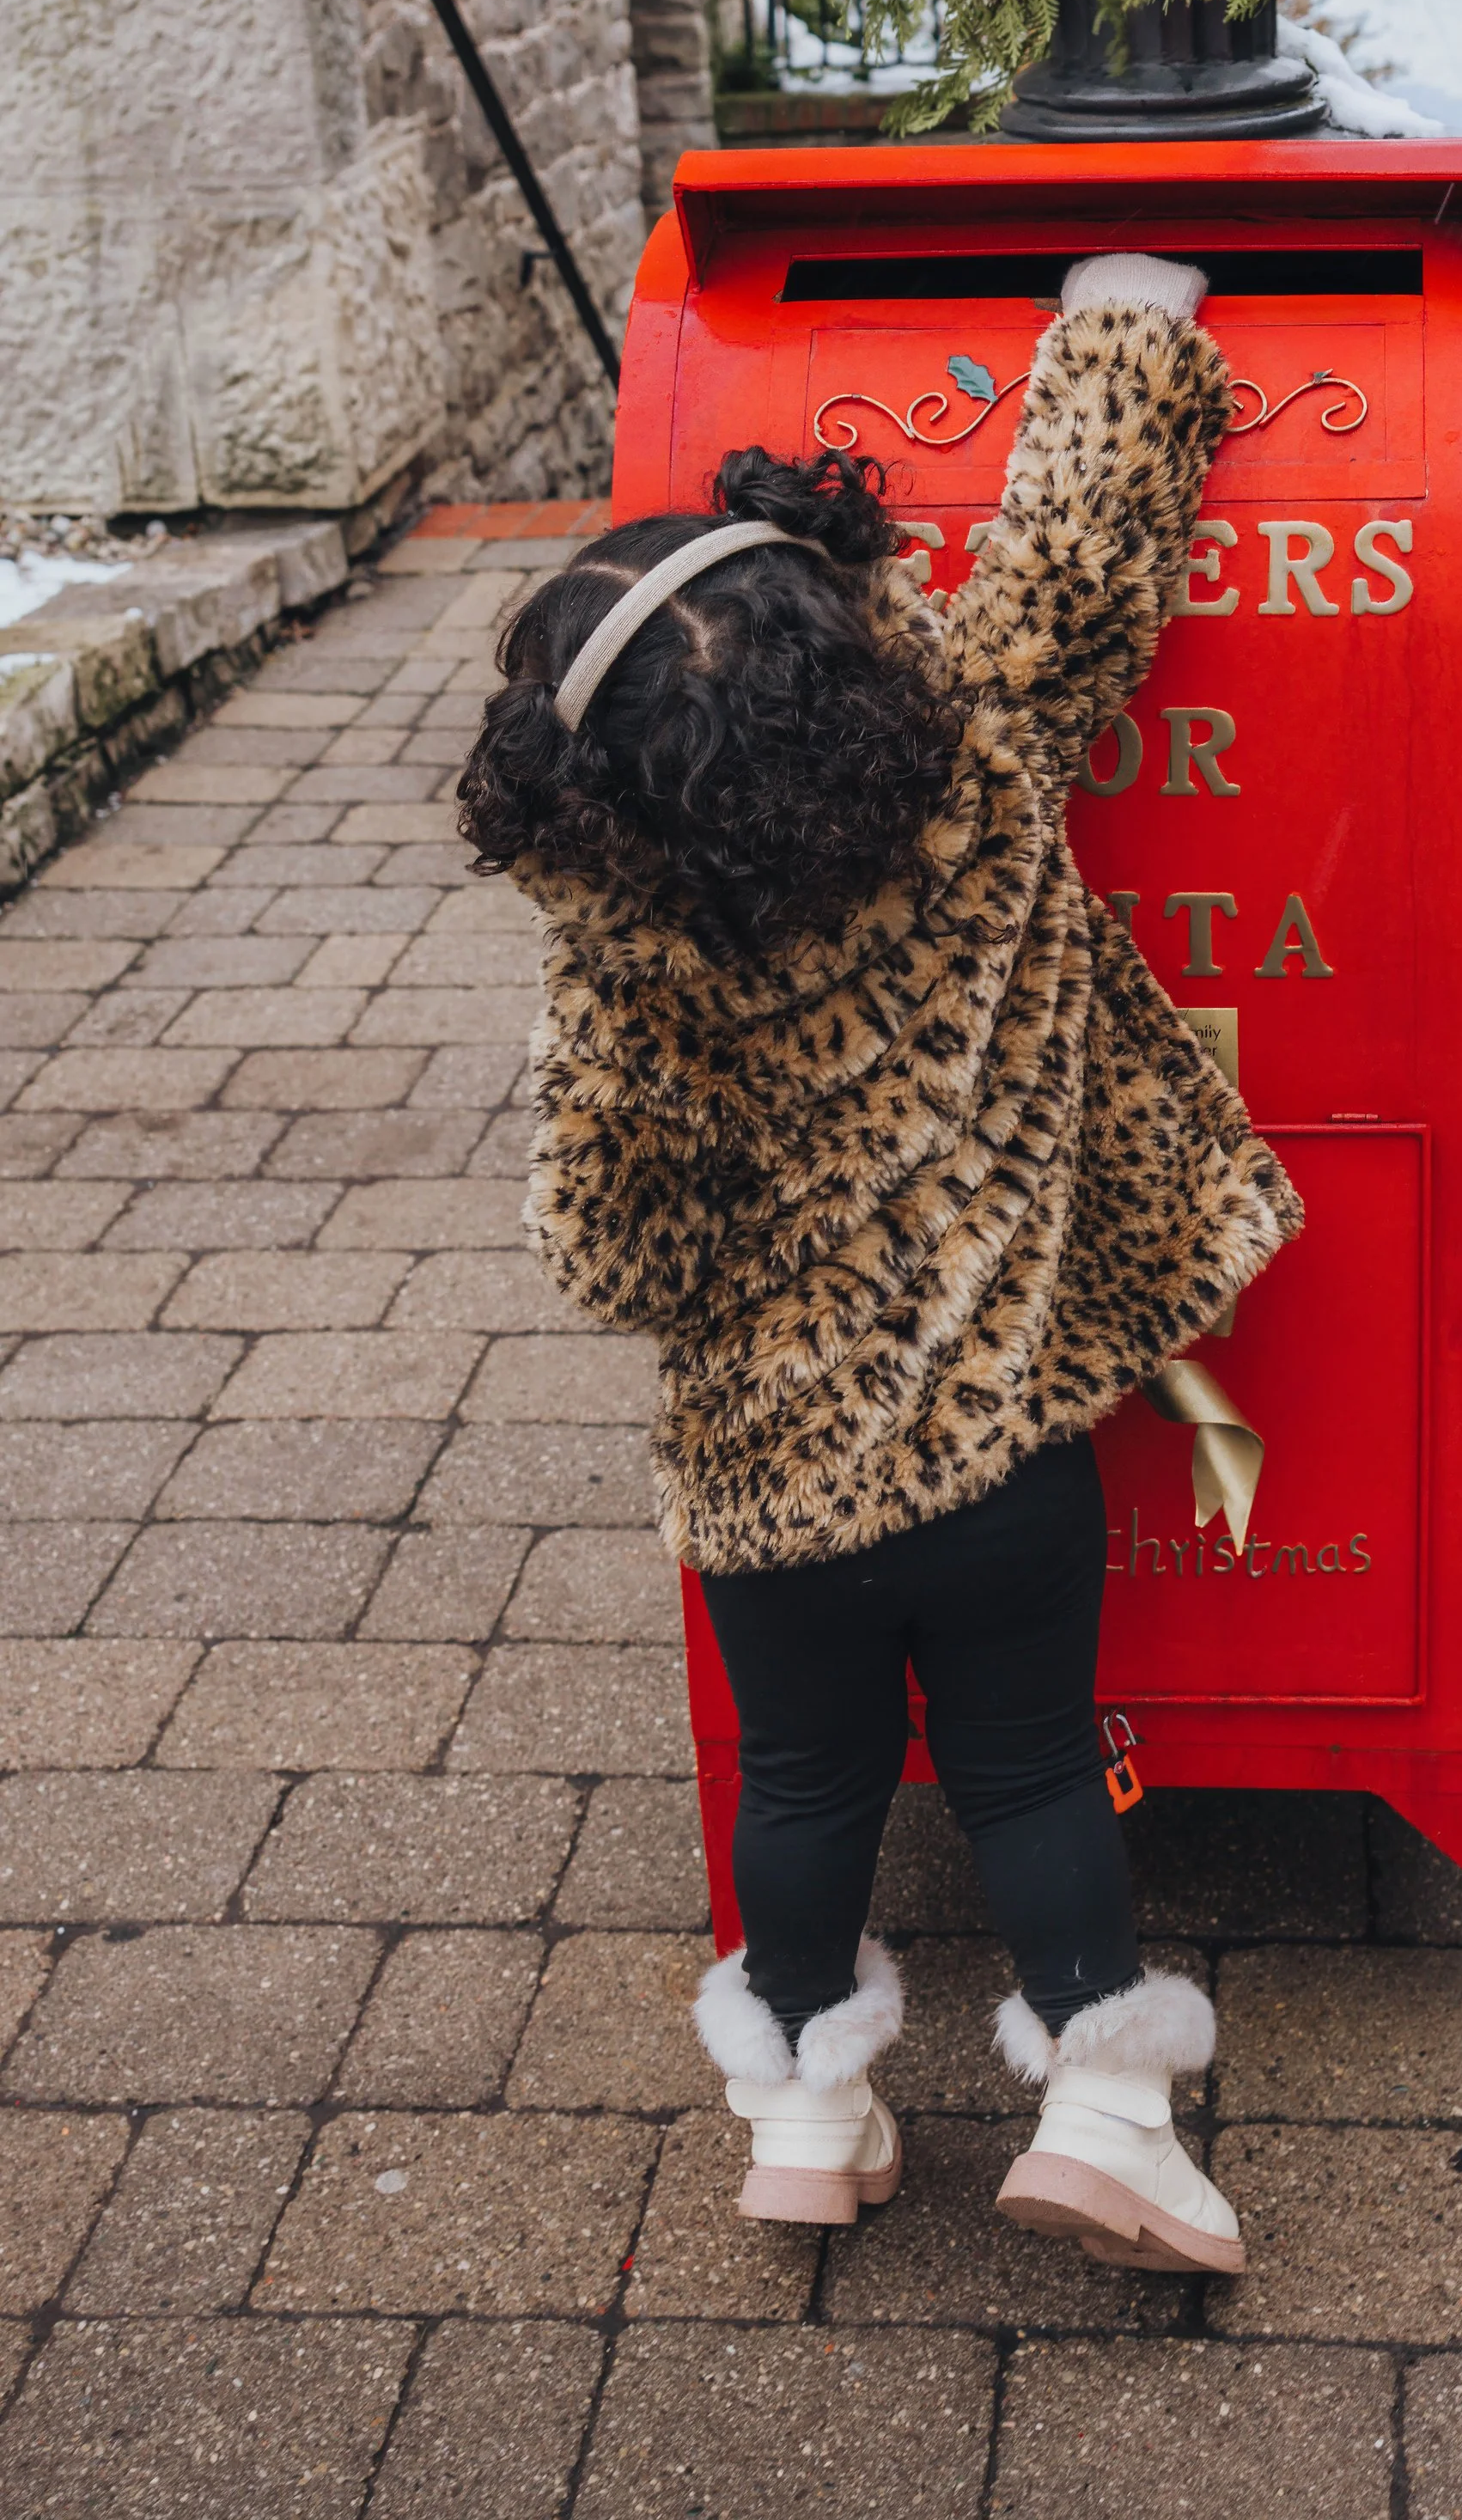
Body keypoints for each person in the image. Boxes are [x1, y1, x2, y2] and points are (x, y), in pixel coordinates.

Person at [456, 254, 1301, 2274]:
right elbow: (1073, 556)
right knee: (1027, 1765)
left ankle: (805, 2118)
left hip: (770, 1487)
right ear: (840, 649)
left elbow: (605, 1247)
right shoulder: (978, 752)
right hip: (999, 1450)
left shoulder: (629, 959)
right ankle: (1108, 2118)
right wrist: (1121, 318)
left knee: (805, 1784)